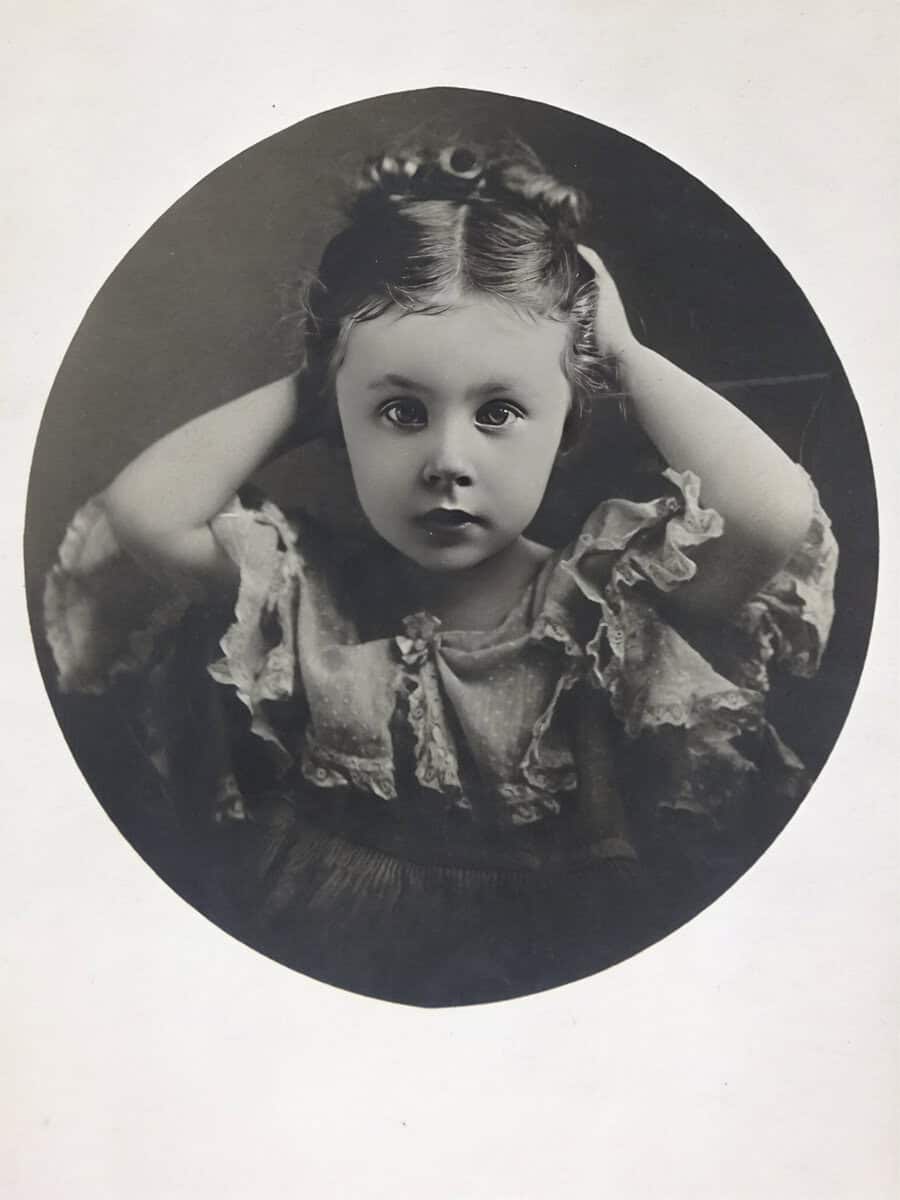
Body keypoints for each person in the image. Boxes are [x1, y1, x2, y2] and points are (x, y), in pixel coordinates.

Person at [44, 141, 838, 1006]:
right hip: (320, 958)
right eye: (400, 412)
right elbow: (148, 511)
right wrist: (324, 375)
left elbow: (771, 514)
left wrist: (623, 354)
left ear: (570, 415)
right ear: (336, 420)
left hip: (565, 975)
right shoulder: (307, 599)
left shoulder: (609, 608)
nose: (446, 460)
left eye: (499, 411)